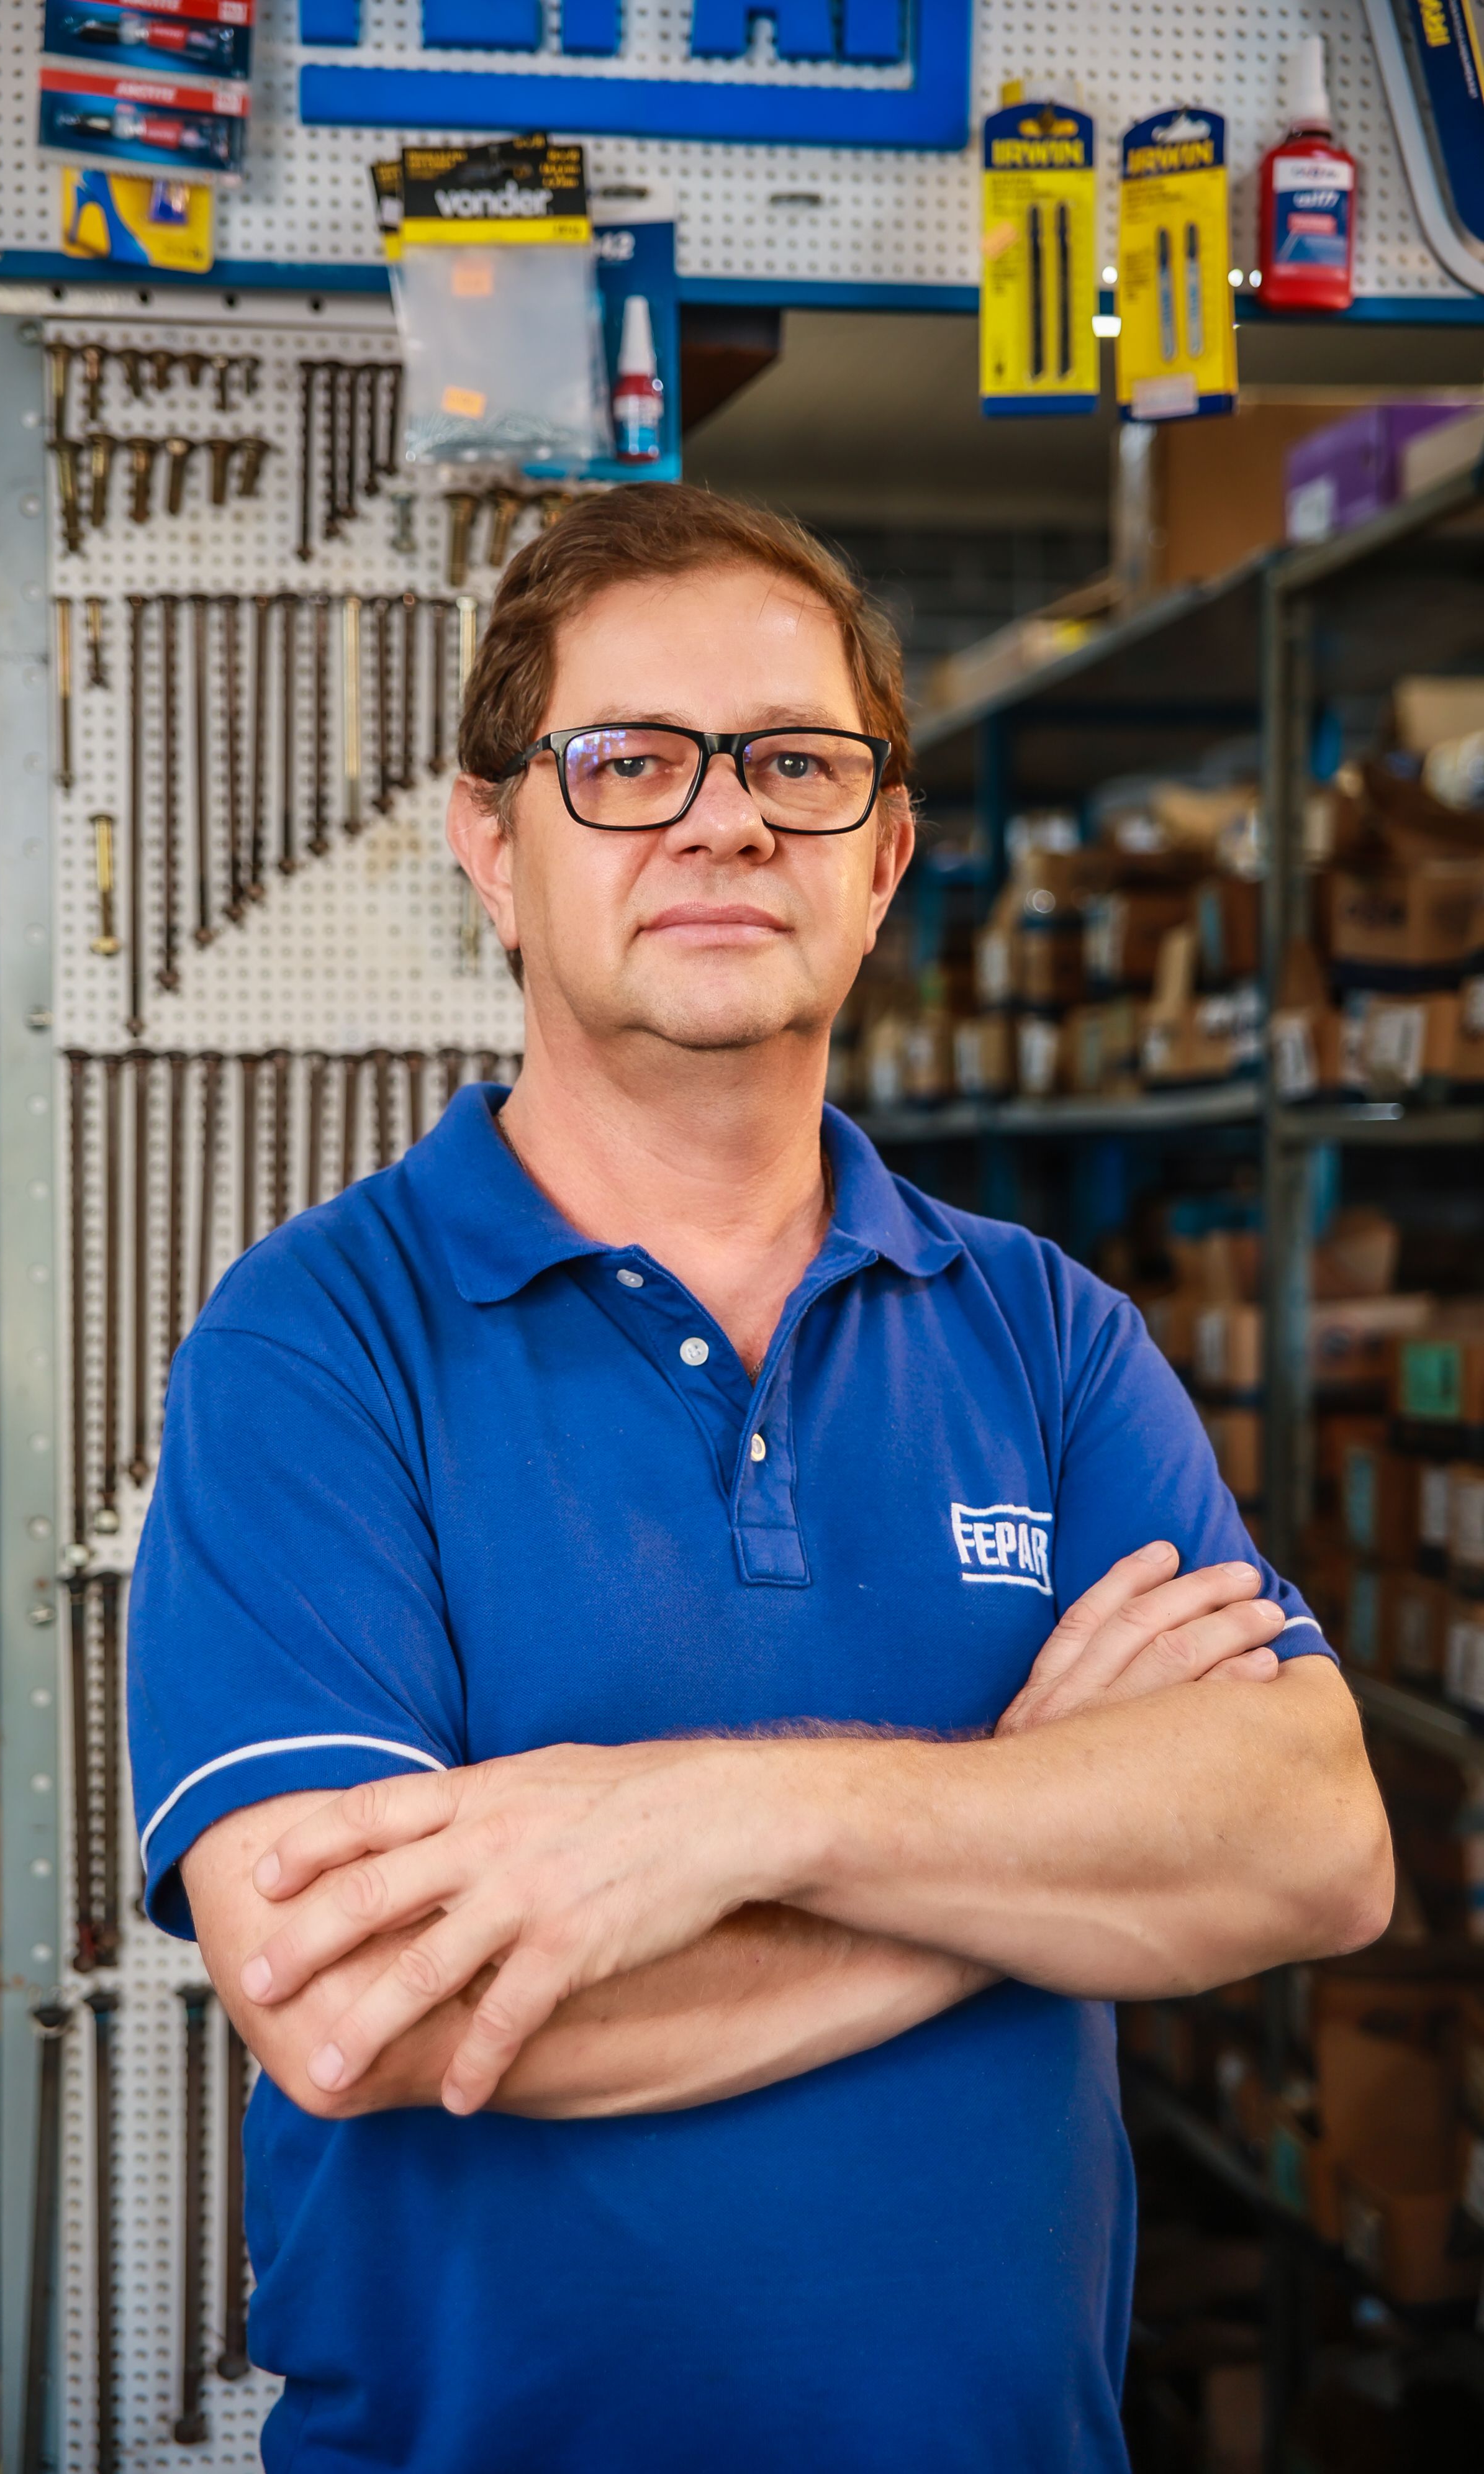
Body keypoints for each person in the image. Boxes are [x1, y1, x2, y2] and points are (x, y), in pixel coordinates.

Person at [129, 484, 1391, 2474]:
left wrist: (729, 1818)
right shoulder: (315, 1345)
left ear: (881, 858)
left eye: (797, 764)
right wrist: (1029, 1855)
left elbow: (1314, 1842)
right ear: (494, 844)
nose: (724, 822)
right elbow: (361, 2000)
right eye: (629, 762)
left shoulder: (1045, 1333)